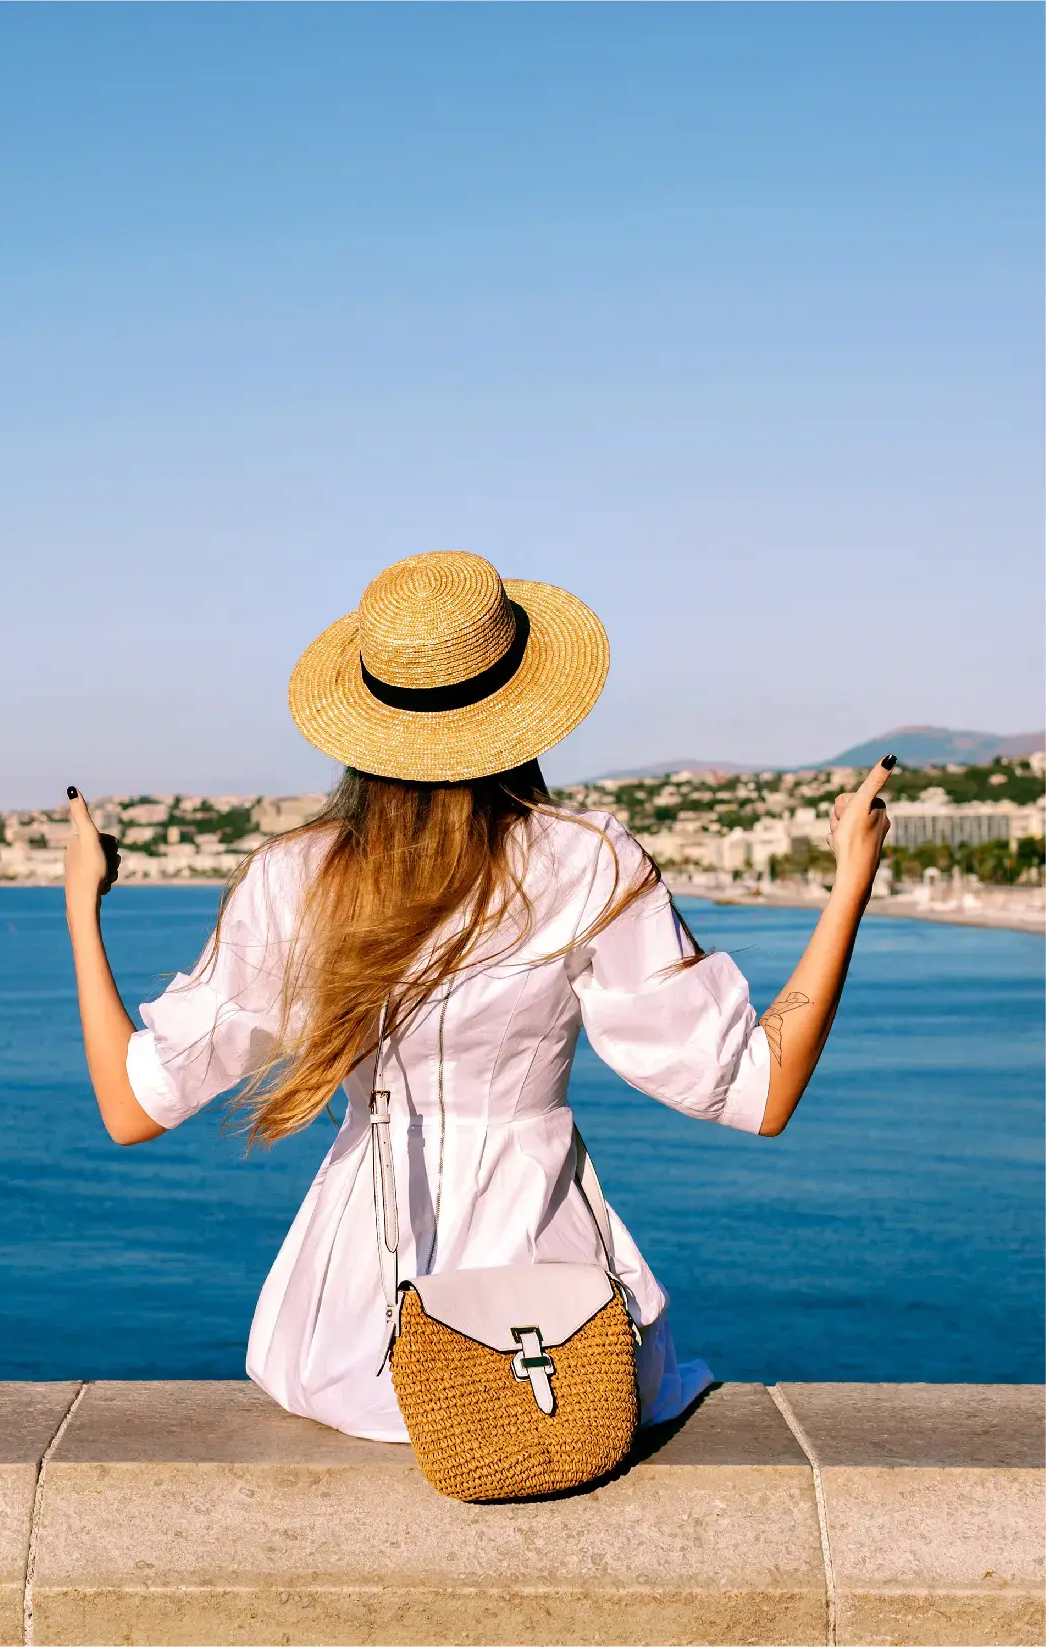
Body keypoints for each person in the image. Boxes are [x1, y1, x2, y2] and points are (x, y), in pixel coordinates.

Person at [63, 550, 893, 1442]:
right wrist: (850, 879)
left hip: (350, 1331)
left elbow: (130, 1104)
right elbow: (756, 1089)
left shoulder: (293, 877)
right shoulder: (587, 860)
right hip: (550, 1324)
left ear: (368, 717)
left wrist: (81, 903)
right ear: (521, 706)